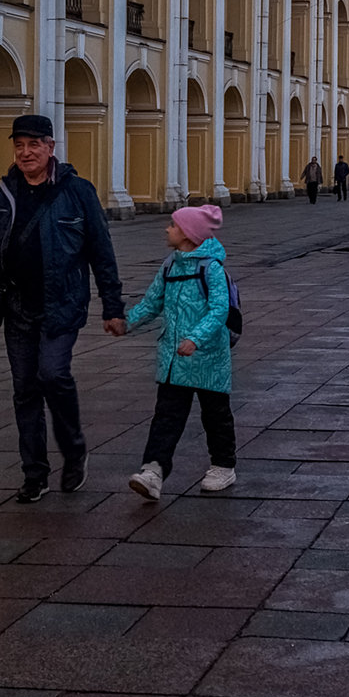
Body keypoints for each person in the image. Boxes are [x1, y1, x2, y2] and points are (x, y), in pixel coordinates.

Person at [0, 115, 126, 503]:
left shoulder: (78, 191)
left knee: (53, 374)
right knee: (24, 389)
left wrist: (112, 306)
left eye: (34, 145)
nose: (26, 153)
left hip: (62, 303)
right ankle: (35, 473)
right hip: (16, 306)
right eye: (19, 146)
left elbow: (102, 252)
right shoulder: (2, 192)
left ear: (50, 147)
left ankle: (74, 448)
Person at [125, 204, 237, 502]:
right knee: (166, 417)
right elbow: (152, 302)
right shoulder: (170, 266)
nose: (167, 229)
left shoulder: (211, 268)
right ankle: (153, 471)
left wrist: (195, 339)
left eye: (173, 225)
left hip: (208, 358)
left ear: (188, 234)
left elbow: (219, 311)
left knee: (216, 416)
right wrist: (126, 323)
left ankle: (223, 466)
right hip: (174, 359)